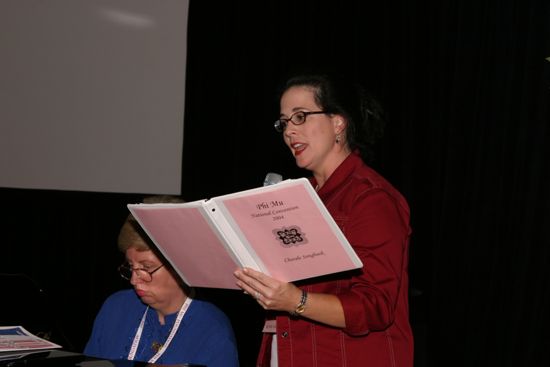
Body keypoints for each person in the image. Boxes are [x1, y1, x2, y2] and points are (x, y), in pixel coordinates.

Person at [233, 73, 414, 366]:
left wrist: (294, 301)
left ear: (338, 122)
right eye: (284, 122)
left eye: (301, 117)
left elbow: (375, 307)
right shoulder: (297, 199)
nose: (289, 131)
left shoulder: (372, 198)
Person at [84, 195, 239, 367]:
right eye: (130, 266)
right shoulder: (116, 307)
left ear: (181, 265)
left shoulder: (211, 328)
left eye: (146, 267)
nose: (134, 280)